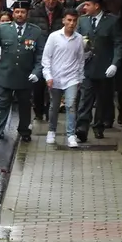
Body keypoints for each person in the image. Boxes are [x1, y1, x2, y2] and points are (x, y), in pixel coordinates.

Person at [0, 0, 46, 148]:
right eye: (17, 12)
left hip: (25, 76)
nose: (19, 15)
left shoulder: (36, 31)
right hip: (6, 74)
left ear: (27, 14)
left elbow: (40, 56)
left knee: (25, 105)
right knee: (1, 104)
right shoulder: (3, 29)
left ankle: (24, 131)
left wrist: (37, 72)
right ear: (13, 13)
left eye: (23, 12)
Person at [75, 0, 122, 142]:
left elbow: (118, 44)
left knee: (102, 99)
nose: (85, 7)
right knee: (85, 98)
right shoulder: (83, 21)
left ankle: (98, 127)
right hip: (88, 67)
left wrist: (115, 64)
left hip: (104, 68)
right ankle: (82, 127)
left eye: (88, 4)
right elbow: (77, 41)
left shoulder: (112, 21)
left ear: (97, 6)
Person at [41, 8, 85, 148]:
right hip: (55, 77)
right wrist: (48, 75)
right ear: (64, 21)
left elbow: (80, 59)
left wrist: (80, 77)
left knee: (71, 105)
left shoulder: (78, 39)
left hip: (72, 77)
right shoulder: (54, 37)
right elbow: (46, 57)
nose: (71, 23)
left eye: (74, 21)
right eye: (69, 20)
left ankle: (71, 134)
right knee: (54, 106)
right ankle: (51, 131)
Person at [28, 0, 66, 121]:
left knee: (52, 85)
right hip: (39, 52)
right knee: (38, 86)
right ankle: (38, 111)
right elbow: (30, 31)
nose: (51, 2)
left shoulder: (63, 12)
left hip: (56, 54)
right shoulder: (34, 13)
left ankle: (50, 112)